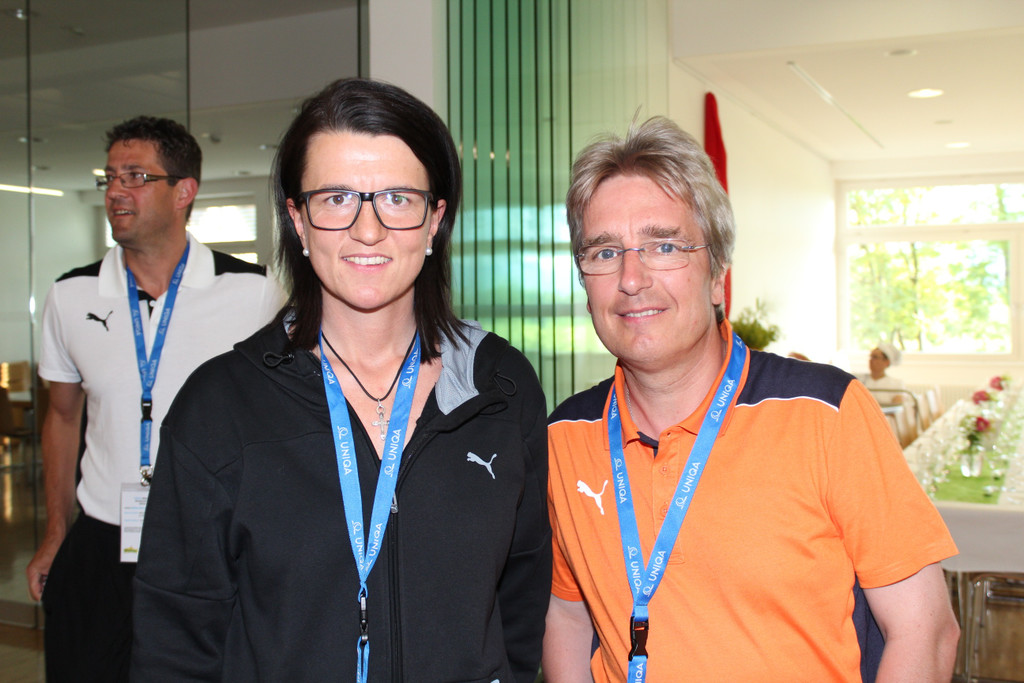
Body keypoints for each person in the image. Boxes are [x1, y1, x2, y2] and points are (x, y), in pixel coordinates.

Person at [130, 78, 551, 682]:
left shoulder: (500, 389)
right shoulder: (220, 407)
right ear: (298, 221)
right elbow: (175, 644)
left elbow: (523, 600)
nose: (367, 229)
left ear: (435, 221)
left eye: (397, 198)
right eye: (335, 199)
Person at [542, 116, 960, 682]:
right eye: (604, 252)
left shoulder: (826, 414)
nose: (631, 278)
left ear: (718, 276)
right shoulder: (563, 437)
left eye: (664, 246)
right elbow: (568, 616)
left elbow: (925, 631)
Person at [26, 115, 285, 682]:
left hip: (208, 542)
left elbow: (280, 422)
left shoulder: (254, 293)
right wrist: (55, 535)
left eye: (136, 176)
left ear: (184, 191)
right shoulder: (70, 295)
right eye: (110, 177)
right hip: (101, 538)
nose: (116, 191)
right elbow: (63, 419)